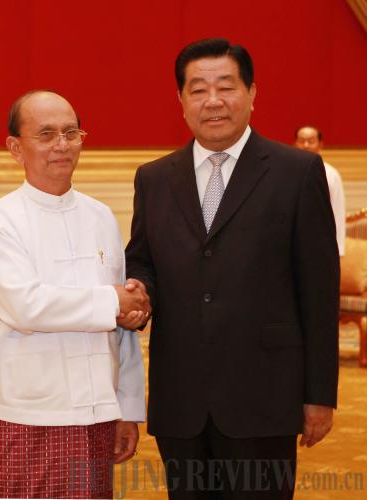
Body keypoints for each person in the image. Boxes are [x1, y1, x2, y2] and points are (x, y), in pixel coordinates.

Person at [125, 38, 339, 499]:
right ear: (181, 100)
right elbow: (143, 258)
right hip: (181, 397)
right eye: (198, 89)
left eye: (226, 86)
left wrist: (320, 393)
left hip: (265, 395)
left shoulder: (298, 172)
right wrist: (139, 292)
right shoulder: (154, 178)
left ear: (252, 93)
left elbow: (320, 290)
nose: (213, 101)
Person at [0, 90, 150, 499]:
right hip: (30, 412)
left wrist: (126, 407)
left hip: (98, 410)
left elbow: (120, 326)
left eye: (71, 133)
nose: (62, 145)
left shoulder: (101, 216)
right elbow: (25, 306)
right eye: (46, 134)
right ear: (16, 148)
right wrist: (114, 302)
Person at [294, 125, 346, 255]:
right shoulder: (287, 172)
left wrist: (338, 250)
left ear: (320, 144)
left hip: (320, 243)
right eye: (301, 141)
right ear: (295, 144)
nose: (306, 145)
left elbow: (337, 212)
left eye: (311, 141)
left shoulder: (331, 174)